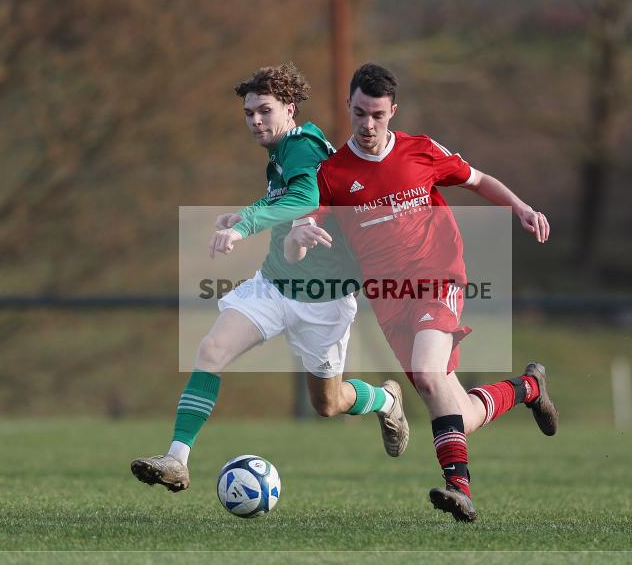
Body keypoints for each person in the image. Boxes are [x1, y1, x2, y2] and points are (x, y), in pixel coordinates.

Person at [284, 63, 558, 522]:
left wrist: (521, 207)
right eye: (358, 114)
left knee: (428, 377)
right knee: (458, 411)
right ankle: (529, 387)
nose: (367, 125)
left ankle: (460, 489)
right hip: (389, 300)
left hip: (438, 278)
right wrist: (297, 238)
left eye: (376, 115)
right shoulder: (333, 174)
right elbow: (304, 224)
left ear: (393, 111)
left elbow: (477, 178)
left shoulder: (422, 151)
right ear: (348, 109)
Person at [131, 63, 409, 493]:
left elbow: (306, 195)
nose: (256, 120)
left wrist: (244, 227)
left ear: (290, 109)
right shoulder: (281, 154)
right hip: (275, 284)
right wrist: (246, 212)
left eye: (265, 110)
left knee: (328, 403)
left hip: (324, 297)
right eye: (248, 113)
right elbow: (287, 196)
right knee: (212, 349)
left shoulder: (302, 145)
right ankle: (177, 459)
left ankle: (386, 400)